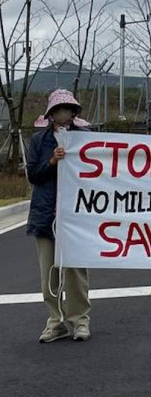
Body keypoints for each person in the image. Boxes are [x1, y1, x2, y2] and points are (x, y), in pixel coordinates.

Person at [26, 89, 92, 343]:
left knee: (76, 272)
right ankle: (55, 321)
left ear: (74, 112)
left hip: (76, 214)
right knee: (49, 273)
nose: (63, 114)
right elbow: (34, 174)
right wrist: (52, 162)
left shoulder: (86, 138)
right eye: (58, 109)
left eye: (67, 109)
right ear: (51, 114)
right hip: (46, 214)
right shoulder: (38, 141)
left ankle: (80, 321)